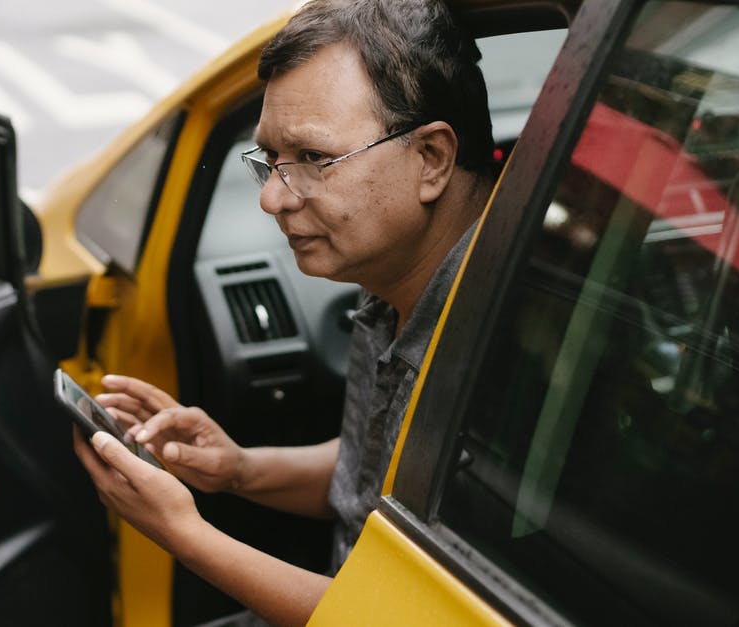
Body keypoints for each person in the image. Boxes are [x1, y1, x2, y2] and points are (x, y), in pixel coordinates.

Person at [72, 0, 496, 624]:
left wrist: (184, 533)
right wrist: (238, 470)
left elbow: (402, 617)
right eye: (269, 160)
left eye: (314, 158)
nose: (273, 197)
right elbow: (374, 481)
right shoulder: (386, 276)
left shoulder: (497, 347)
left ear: (431, 158)